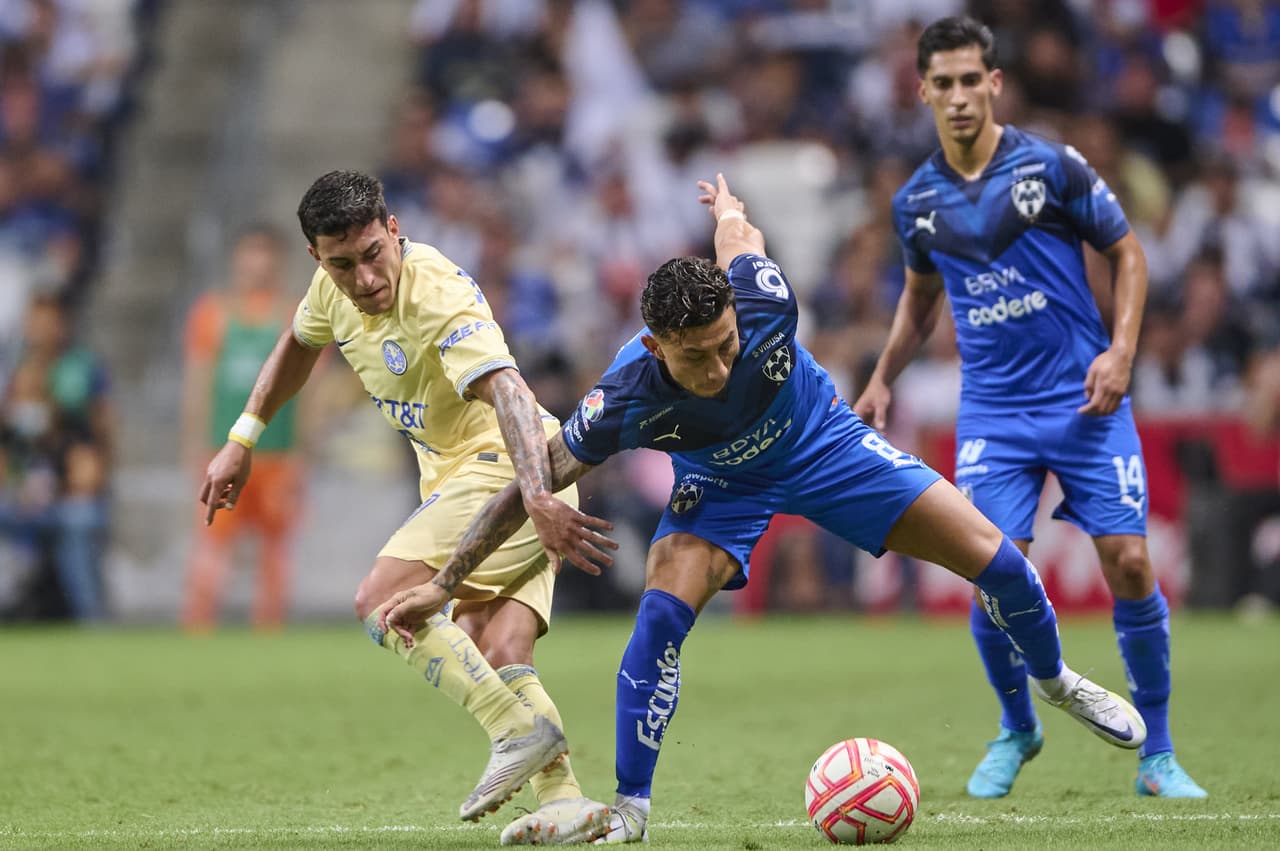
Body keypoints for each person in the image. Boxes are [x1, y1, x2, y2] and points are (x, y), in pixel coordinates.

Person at [381, 173, 1148, 843]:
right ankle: (631, 809)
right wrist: (445, 583)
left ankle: (1055, 681)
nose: (720, 367)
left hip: (823, 443)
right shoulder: (624, 397)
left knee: (998, 560)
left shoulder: (764, 297)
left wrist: (727, 211)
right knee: (658, 617)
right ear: (655, 347)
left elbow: (739, 239)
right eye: (696, 356)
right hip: (721, 485)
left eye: (727, 344)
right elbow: (529, 484)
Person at [197, 170, 616, 843]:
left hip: (512, 471)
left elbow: (510, 389)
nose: (363, 278)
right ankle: (565, 802)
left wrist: (536, 494)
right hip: (488, 480)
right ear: (316, 259)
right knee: (496, 644)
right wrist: (242, 436)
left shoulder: (436, 291)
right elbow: (298, 345)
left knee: (382, 599)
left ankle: (513, 730)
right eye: (342, 265)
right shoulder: (328, 290)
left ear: (394, 230)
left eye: (373, 254)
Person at [853, 16, 1207, 799]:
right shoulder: (917, 201)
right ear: (923, 92)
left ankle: (1158, 755)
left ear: (994, 83)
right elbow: (919, 300)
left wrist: (1121, 351)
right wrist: (881, 378)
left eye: (968, 80)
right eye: (941, 83)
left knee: (1131, 561)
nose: (957, 96)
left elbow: (1128, 253)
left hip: (1085, 399)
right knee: (992, 570)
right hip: (995, 414)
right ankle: (1018, 726)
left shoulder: (1050, 166)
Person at [182, 225, 304, 631]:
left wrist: (304, 452)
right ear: (237, 260)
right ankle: (198, 629)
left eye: (266, 255)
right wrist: (195, 446)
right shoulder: (212, 313)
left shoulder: (294, 315)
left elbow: (311, 389)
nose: (258, 265)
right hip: (223, 453)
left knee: (275, 550)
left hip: (277, 454)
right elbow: (199, 382)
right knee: (212, 544)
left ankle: (269, 631)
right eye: (251, 254)